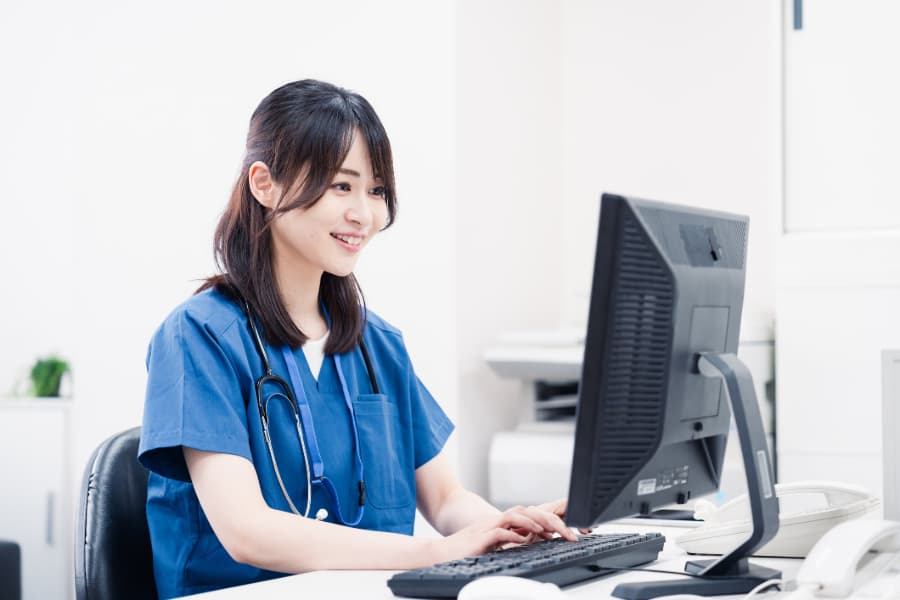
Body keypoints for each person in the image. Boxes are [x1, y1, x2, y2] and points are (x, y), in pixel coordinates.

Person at [138, 79, 577, 599]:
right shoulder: (199, 336)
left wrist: (505, 532)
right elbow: (246, 531)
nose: (364, 214)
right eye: (340, 186)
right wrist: (433, 553)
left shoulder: (379, 346)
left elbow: (444, 499)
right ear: (265, 184)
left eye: (376, 191)